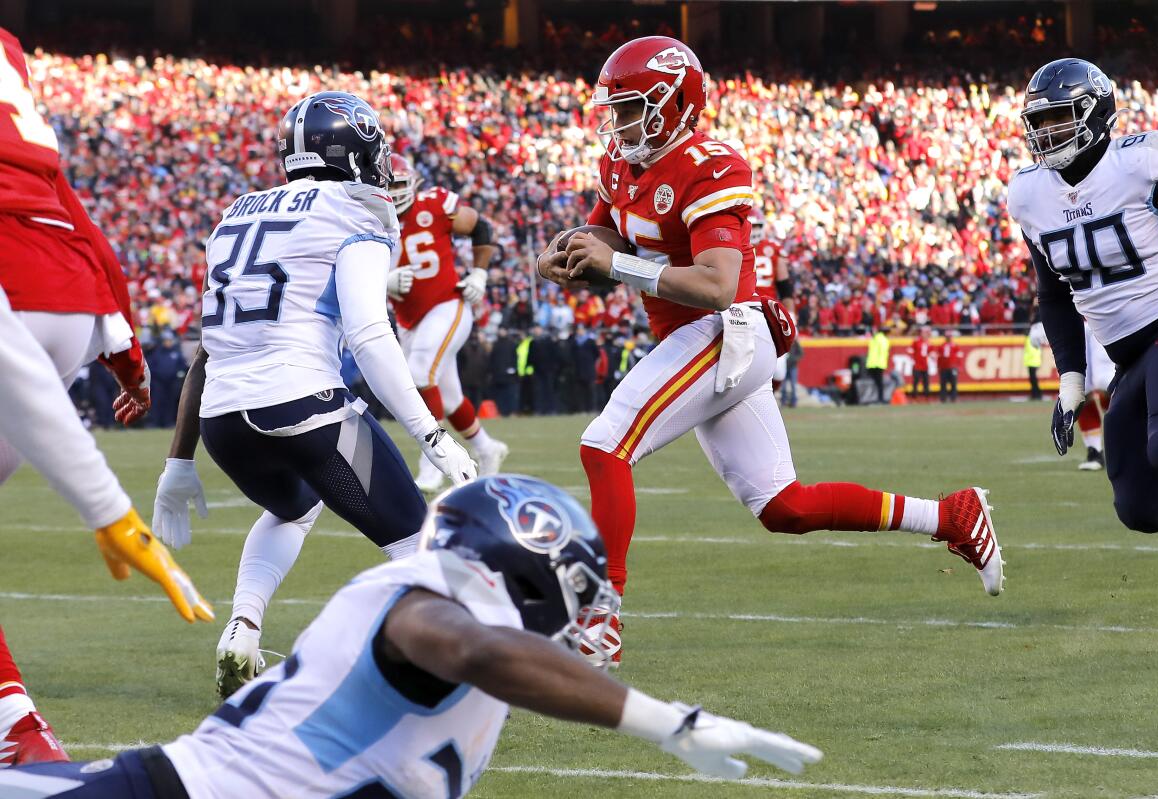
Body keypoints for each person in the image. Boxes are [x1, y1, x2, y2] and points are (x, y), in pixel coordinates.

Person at [539, 36, 1003, 666]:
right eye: (613, 108)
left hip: (728, 327)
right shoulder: (623, 163)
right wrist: (571, 250)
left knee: (604, 444)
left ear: (674, 104)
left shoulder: (712, 163)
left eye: (630, 107)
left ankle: (599, 619)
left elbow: (716, 283)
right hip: (697, 339)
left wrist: (615, 266)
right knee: (785, 507)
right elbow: (606, 229)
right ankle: (950, 516)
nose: (617, 123)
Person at [0, 475, 824, 798]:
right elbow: (474, 650)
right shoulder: (423, 601)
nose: (573, 615)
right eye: (569, 586)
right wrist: (669, 723)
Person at [150, 92, 477, 699]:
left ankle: (242, 627)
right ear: (353, 151)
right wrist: (432, 435)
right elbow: (371, 334)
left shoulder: (235, 214)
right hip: (303, 401)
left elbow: (206, 350)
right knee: (418, 546)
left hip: (223, 418)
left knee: (294, 507)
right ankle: (440, 674)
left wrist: (178, 462)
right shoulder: (353, 210)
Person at [0, 26, 212, 768]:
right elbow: (74, 211)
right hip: (67, 293)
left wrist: (106, 506)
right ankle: (17, 725)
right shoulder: (9, 51)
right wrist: (125, 354)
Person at [1007, 58, 1158, 533]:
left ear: (1095, 112)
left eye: (1059, 116)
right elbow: (1053, 295)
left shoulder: (1138, 164)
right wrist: (1071, 382)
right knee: (1141, 509)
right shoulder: (1030, 195)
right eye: (1040, 121)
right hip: (1128, 357)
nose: (1048, 132)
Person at [385, 155, 509, 493]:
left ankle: (434, 460)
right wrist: (384, 280)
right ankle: (487, 448)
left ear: (414, 184)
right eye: (388, 183)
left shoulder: (435, 205)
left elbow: (481, 226)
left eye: (399, 183)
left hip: (446, 305)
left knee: (420, 373)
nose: (393, 192)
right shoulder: (367, 216)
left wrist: (480, 273)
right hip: (409, 318)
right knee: (450, 399)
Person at [750, 210, 790, 392]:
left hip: (767, 311)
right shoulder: (733, 246)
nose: (754, 229)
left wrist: (791, 314)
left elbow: (785, 286)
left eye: (757, 225)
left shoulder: (772, 249)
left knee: (779, 370)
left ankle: (770, 397)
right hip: (739, 308)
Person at [1077, 322, 1115, 471]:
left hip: (1103, 314)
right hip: (1073, 321)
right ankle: (1094, 450)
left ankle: (1131, 440)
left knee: (1108, 384)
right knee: (1080, 391)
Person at [865, 323, 890, 404]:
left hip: (871, 363)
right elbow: (884, 352)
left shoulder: (874, 338)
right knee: (879, 383)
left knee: (873, 383)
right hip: (879, 363)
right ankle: (880, 399)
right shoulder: (884, 340)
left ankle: (872, 398)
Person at [937, 329, 961, 403]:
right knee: (943, 384)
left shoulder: (955, 346)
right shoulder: (941, 346)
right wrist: (939, 366)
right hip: (944, 367)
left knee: (953, 383)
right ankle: (943, 399)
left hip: (952, 367)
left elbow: (959, 357)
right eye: (947, 336)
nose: (948, 338)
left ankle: (953, 398)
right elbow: (939, 357)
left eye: (949, 336)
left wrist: (958, 366)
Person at [1024, 320, 1045, 400]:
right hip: (1031, 361)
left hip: (1033, 361)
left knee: (1033, 379)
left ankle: (1036, 394)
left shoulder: (1032, 337)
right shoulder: (1031, 337)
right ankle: (1035, 393)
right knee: (1033, 379)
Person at [909, 327, 932, 399]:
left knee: (926, 382)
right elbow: (910, 350)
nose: (924, 334)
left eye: (926, 333)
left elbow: (931, 352)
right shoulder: (916, 341)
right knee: (915, 381)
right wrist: (913, 359)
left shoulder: (928, 343)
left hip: (925, 365)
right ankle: (914, 396)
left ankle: (927, 397)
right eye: (923, 333)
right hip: (917, 365)